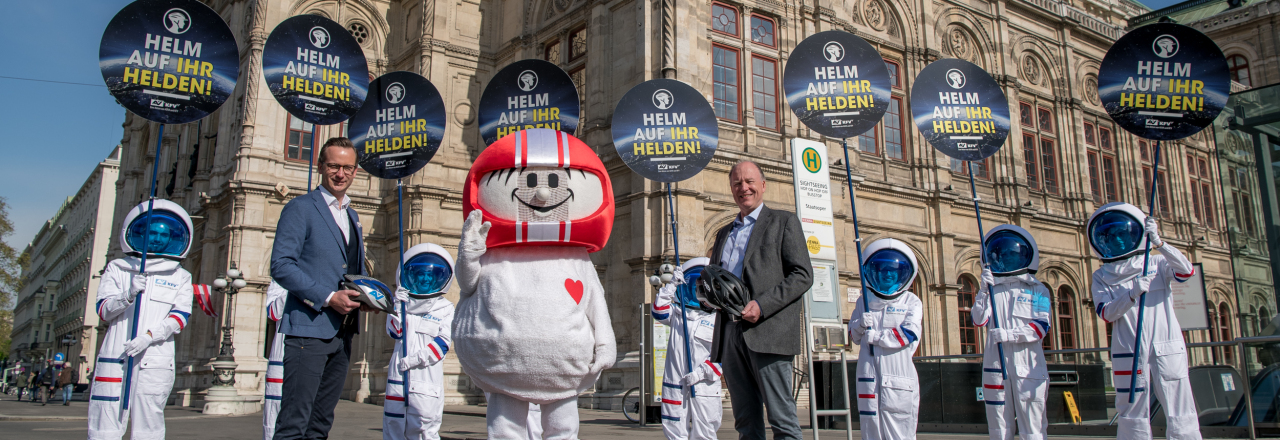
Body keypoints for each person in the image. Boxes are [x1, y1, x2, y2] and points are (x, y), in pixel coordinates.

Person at [270, 137, 374, 440]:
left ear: (355, 171)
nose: (341, 174)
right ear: (320, 167)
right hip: (309, 330)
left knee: (319, 425)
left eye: (348, 168)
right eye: (334, 166)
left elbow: (348, 272)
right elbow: (281, 266)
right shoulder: (300, 208)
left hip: (342, 333)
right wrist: (329, 298)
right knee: (294, 423)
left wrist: (364, 297)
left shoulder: (351, 216)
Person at [708, 160, 812, 439]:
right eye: (737, 183)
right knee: (745, 422)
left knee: (782, 420)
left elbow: (802, 275)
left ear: (763, 185)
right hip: (730, 333)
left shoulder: (783, 222)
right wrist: (708, 297)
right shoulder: (723, 234)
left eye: (750, 181)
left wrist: (762, 305)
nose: (744, 188)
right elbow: (717, 280)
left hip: (767, 332)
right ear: (732, 189)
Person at [1089, 202, 1200, 440]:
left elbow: (1186, 271)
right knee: (1132, 414)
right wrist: (1130, 295)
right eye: (1109, 236)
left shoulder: (1157, 263)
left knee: (1180, 411)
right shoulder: (1101, 276)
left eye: (1122, 234)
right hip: (1129, 347)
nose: (1117, 241)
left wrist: (1159, 243)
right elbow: (1106, 313)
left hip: (1165, 344)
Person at [88, 199, 195, 440]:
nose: (156, 239)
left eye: (163, 235)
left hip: (155, 357)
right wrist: (128, 295)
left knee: (149, 425)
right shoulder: (118, 268)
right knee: (105, 422)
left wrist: (149, 337)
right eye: (151, 233)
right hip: (117, 354)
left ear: (173, 238)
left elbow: (180, 317)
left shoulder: (180, 276)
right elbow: (104, 310)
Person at [971, 225, 1051, 440]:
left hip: (1028, 366)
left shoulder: (1038, 289)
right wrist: (983, 291)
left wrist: (1010, 335)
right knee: (998, 428)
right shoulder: (991, 291)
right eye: (1002, 254)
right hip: (995, 365)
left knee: (1033, 427)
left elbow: (1041, 327)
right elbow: (979, 320)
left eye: (1012, 254)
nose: (1007, 258)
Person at [848, 238, 923, 440]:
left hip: (898, 376)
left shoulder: (911, 302)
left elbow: (909, 334)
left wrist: (878, 337)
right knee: (870, 429)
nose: (888, 274)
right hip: (868, 376)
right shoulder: (864, 300)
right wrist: (859, 324)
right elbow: (852, 337)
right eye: (883, 269)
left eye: (893, 270)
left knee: (900, 432)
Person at [383, 243, 456, 440]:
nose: (425, 278)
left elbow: (442, 344)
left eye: (429, 274)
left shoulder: (446, 309)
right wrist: (396, 307)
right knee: (393, 429)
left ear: (438, 278)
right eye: (420, 274)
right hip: (398, 378)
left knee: (424, 430)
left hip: (425, 379)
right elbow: (395, 333)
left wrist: (415, 360)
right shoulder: (403, 305)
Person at [653, 258, 723, 439]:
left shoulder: (719, 320)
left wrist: (700, 374)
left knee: (705, 432)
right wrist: (671, 286)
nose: (699, 288)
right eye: (696, 283)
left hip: (704, 385)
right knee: (674, 430)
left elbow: (723, 356)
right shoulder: (678, 314)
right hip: (676, 383)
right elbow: (658, 310)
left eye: (703, 284)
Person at [262, 281, 288, 440]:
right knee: (274, 414)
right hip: (282, 356)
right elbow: (273, 312)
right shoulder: (281, 280)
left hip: (313, 355)